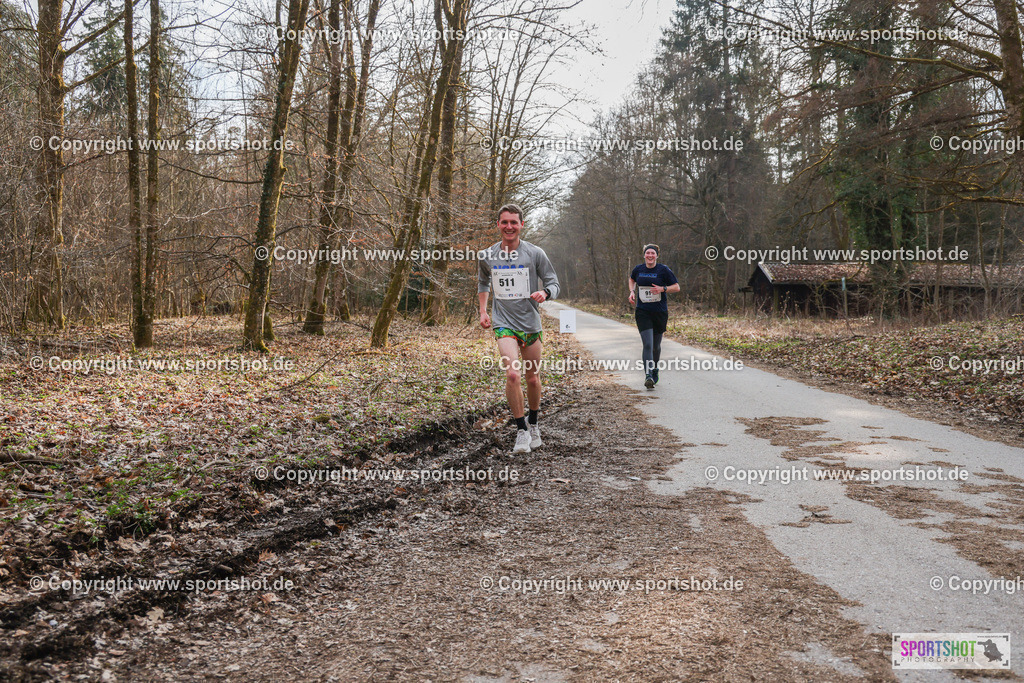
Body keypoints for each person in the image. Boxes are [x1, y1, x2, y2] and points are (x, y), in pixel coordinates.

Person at [478, 204, 561, 454]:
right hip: (503, 323)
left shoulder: (535, 253)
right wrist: (483, 311)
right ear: (498, 224)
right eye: (504, 222)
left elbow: (553, 282)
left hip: (530, 323)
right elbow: (483, 282)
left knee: (532, 378)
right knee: (513, 375)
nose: (509, 227)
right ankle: (521, 430)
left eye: (514, 222)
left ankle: (533, 423)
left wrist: (545, 293)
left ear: (522, 225)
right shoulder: (487, 255)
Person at [628, 244, 679, 389]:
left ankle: (655, 368)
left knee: (656, 346)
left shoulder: (663, 270)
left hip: (659, 312)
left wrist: (663, 289)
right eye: (648, 253)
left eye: (653, 253)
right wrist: (632, 291)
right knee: (648, 345)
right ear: (644, 255)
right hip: (643, 312)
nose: (650, 255)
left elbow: (676, 287)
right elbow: (632, 279)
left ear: (657, 256)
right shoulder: (638, 269)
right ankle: (648, 375)